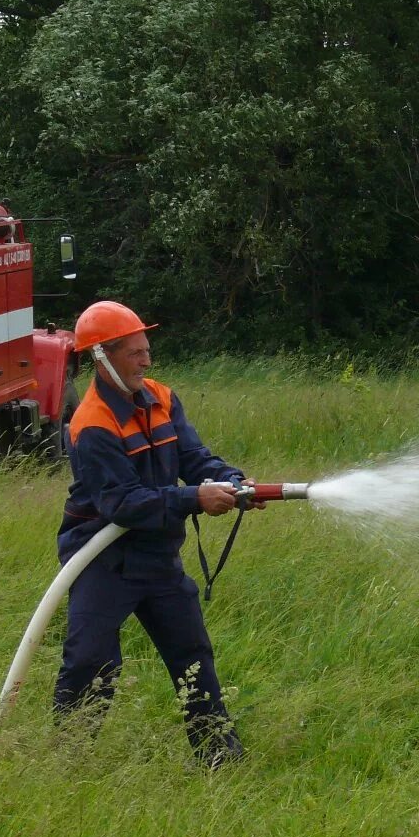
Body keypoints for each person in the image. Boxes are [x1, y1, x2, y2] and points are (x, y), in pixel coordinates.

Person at [54, 301, 255, 767]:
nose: (147, 360)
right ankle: (64, 765)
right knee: (91, 663)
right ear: (102, 358)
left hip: (157, 557)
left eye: (147, 350)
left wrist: (229, 478)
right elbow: (122, 504)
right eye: (135, 353)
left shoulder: (162, 399)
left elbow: (194, 459)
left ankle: (219, 759)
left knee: (192, 657)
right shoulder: (91, 425)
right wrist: (194, 499)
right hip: (102, 562)